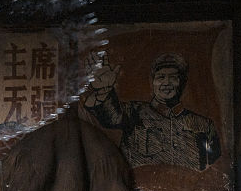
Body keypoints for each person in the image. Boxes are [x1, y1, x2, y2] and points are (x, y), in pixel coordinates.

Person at [83, 52, 221, 170]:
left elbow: (215, 170)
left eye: (173, 77)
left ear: (182, 83)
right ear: (152, 82)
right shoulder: (133, 112)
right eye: (161, 77)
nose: (166, 83)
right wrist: (104, 90)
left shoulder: (203, 125)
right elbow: (111, 118)